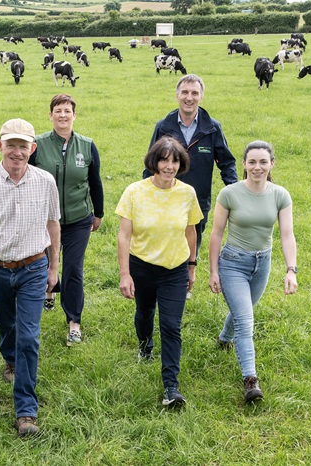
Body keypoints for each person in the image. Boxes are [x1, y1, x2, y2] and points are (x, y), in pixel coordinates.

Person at [0, 118, 60, 437]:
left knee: (29, 336)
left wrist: (53, 268)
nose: (17, 152)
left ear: (33, 149)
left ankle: (26, 411)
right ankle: (10, 359)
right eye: (11, 145)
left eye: (24, 146)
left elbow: (53, 226)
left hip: (33, 267)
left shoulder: (46, 181)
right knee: (6, 325)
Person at [208, 140, 298, 403]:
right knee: (246, 319)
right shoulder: (229, 194)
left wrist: (291, 270)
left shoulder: (280, 194)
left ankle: (225, 338)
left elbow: (287, 235)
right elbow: (216, 233)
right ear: (244, 165)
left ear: (271, 164)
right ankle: (250, 380)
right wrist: (213, 271)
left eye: (263, 162)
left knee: (243, 310)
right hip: (233, 262)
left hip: (263, 263)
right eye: (252, 162)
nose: (257, 167)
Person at [117, 136, 202, 408]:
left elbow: (192, 232)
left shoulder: (187, 193)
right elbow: (123, 236)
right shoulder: (134, 192)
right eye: (164, 160)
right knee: (144, 314)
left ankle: (171, 387)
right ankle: (145, 347)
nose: (169, 166)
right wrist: (125, 274)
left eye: (175, 160)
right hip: (141, 266)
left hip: (174, 268)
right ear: (154, 161)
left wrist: (191, 266)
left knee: (170, 325)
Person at [30, 94, 104, 346]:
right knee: (44, 263)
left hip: (78, 220)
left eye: (67, 111)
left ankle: (74, 322)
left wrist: (99, 213)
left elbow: (95, 182)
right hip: (44, 219)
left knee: (73, 270)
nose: (63, 115)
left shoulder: (87, 145)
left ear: (74, 115)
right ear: (50, 115)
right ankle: (48, 293)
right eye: (58, 111)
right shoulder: (37, 145)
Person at [146, 74, 238, 273]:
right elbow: (151, 162)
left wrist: (235, 190)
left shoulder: (212, 128)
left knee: (192, 239)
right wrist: (146, 194)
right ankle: (163, 276)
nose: (189, 97)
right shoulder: (163, 127)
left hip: (198, 198)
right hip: (166, 196)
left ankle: (186, 278)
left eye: (195, 93)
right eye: (185, 92)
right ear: (177, 95)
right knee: (165, 236)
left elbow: (226, 162)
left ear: (201, 97)